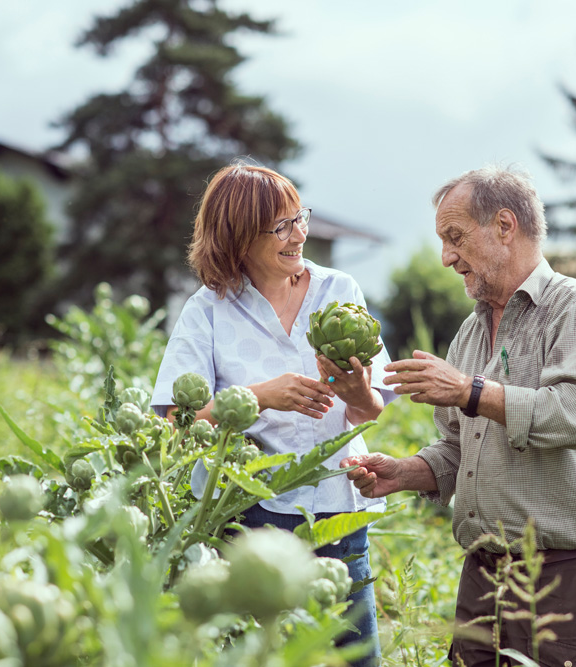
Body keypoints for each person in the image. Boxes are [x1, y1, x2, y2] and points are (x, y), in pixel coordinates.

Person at [341, 166, 576, 667]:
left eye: (455, 237)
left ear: (505, 226)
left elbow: (575, 414)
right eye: (442, 241)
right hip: (483, 572)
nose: (446, 257)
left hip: (564, 575)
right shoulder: (471, 332)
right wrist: (406, 472)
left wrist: (468, 389)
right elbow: (458, 446)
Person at [150, 161, 395, 666]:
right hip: (245, 514)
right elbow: (174, 421)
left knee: (355, 657)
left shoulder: (339, 292)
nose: (298, 234)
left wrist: (356, 392)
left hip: (335, 506)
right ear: (237, 238)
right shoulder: (207, 309)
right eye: (280, 226)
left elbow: (371, 410)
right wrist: (260, 396)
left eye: (299, 217)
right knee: (257, 656)